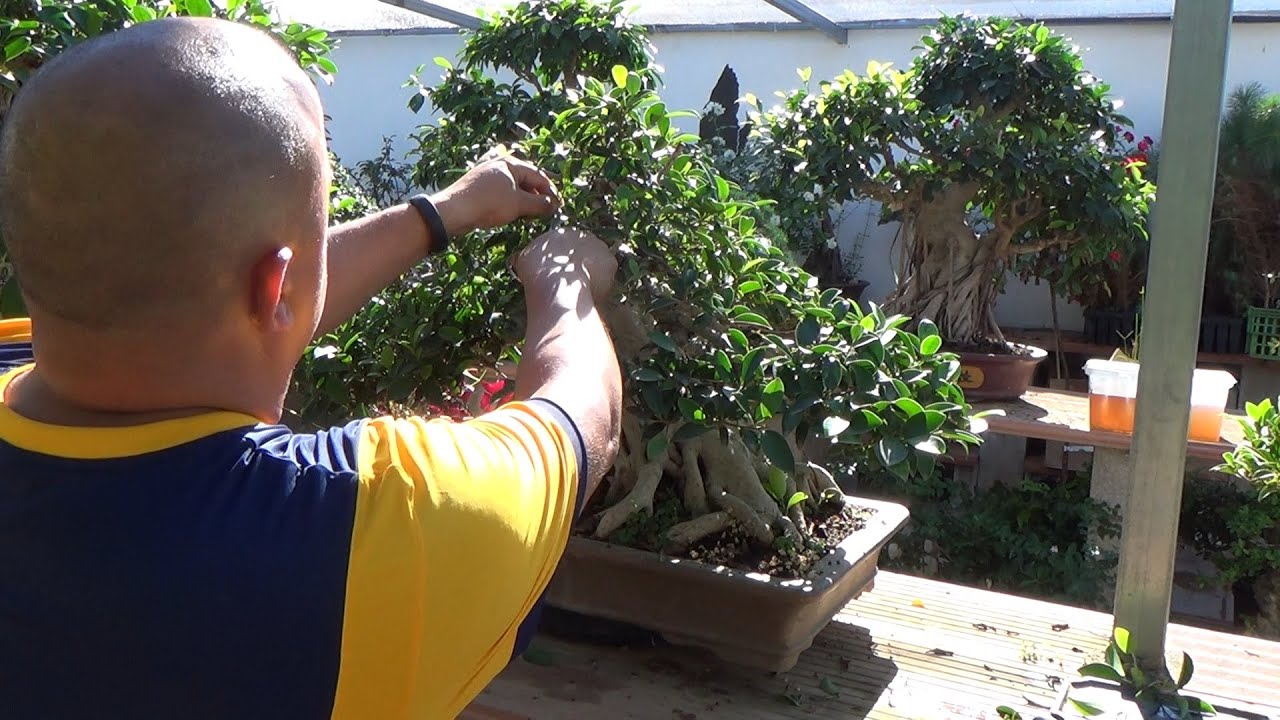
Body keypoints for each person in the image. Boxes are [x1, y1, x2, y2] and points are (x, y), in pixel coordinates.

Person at [0, 15, 621, 720]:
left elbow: (221, 303)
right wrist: (566, 285)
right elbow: (582, 414)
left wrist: (445, 212)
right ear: (278, 288)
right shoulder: (373, 526)